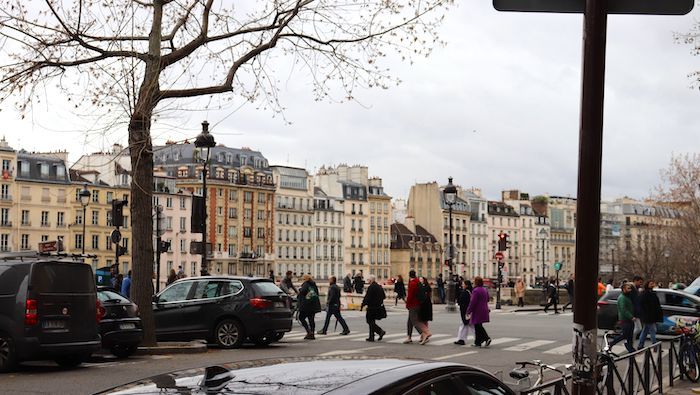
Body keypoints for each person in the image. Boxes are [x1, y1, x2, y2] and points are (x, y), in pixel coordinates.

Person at [608, 282, 636, 353]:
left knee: (629, 335)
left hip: (628, 319)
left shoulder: (627, 297)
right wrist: (631, 316)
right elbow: (623, 309)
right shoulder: (622, 298)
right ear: (623, 289)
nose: (630, 290)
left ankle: (630, 348)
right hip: (625, 319)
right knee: (625, 334)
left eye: (630, 288)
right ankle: (612, 343)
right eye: (628, 288)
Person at [404, 269, 430, 344]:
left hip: (413, 304)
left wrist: (407, 304)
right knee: (410, 321)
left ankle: (424, 333)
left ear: (409, 275)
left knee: (415, 321)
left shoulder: (412, 283)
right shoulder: (418, 282)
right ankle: (409, 336)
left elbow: (410, 295)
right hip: (419, 304)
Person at [638, 279, 662, 349]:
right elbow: (642, 304)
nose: (652, 285)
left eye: (653, 284)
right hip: (648, 315)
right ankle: (655, 346)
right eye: (651, 284)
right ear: (647, 285)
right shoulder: (644, 293)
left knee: (645, 331)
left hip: (651, 315)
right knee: (653, 330)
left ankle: (640, 345)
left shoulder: (652, 293)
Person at [361, 275, 386, 342]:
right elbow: (384, 296)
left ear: (371, 280)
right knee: (372, 321)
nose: (368, 281)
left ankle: (380, 331)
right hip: (378, 307)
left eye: (368, 280)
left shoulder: (371, 287)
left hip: (371, 307)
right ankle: (371, 337)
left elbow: (367, 297)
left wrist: (363, 304)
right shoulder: (379, 287)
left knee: (369, 321)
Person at [467, 276, 491, 347]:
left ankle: (486, 338)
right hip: (484, 309)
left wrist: (469, 310)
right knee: (478, 325)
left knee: (478, 326)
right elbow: (488, 299)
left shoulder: (475, 290)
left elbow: (473, 302)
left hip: (477, 310)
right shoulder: (484, 289)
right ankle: (478, 341)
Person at [297, 274, 322, 340]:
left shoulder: (305, 284)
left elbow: (302, 292)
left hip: (306, 305)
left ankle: (309, 331)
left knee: (301, 317)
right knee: (311, 319)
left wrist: (299, 290)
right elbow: (317, 294)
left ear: (305, 279)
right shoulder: (314, 284)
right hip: (313, 305)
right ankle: (312, 334)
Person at [454, 280, 474, 345]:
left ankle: (480, 338)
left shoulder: (465, 292)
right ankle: (461, 339)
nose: (462, 285)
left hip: (466, 311)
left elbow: (462, 301)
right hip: (468, 311)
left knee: (468, 325)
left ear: (466, 285)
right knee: (466, 325)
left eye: (463, 284)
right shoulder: (470, 291)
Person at [417, 277, 433, 344]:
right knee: (424, 320)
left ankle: (425, 335)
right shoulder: (426, 287)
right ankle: (423, 335)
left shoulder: (424, 287)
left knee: (422, 320)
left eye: (421, 279)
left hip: (424, 305)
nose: (420, 280)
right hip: (426, 304)